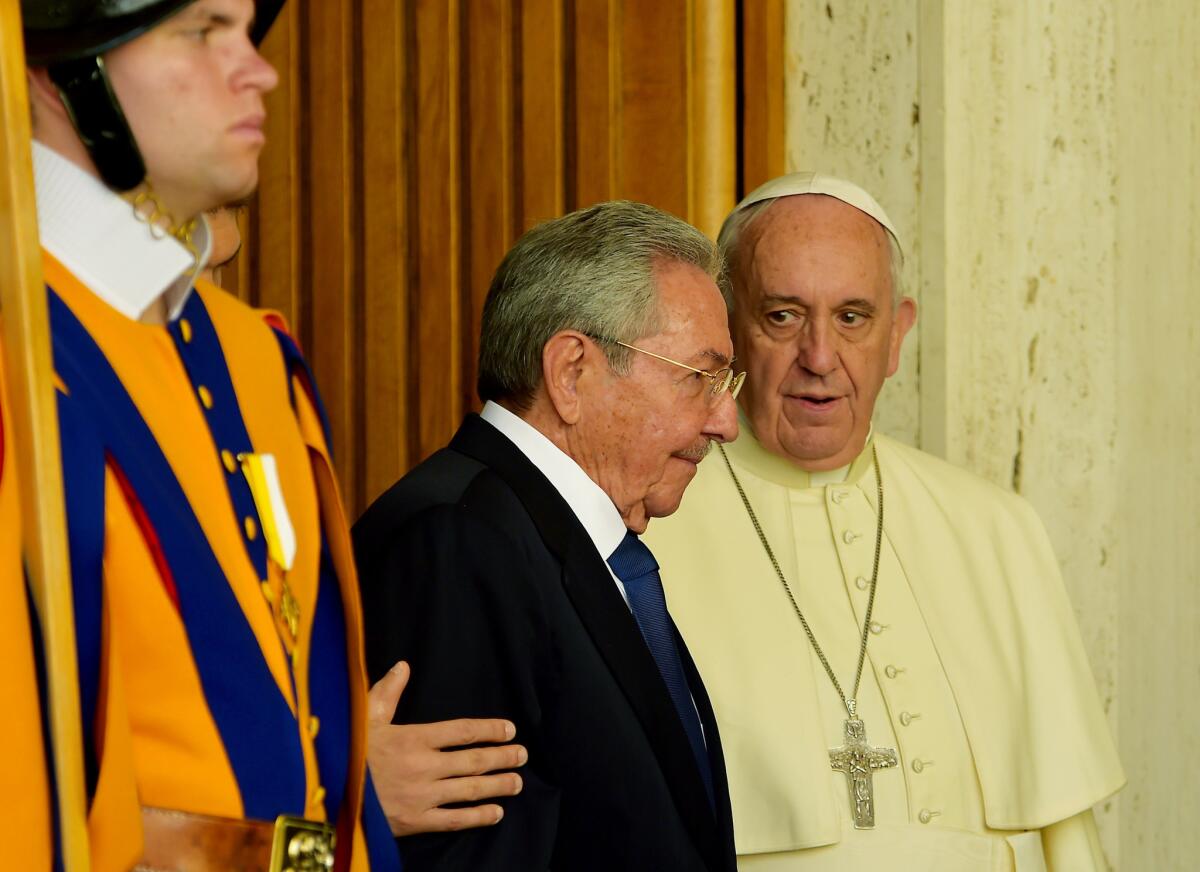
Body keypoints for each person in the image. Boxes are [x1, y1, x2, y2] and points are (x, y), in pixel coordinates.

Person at [11, 0, 523, 867]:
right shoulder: (16, 355)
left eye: (248, 33)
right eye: (202, 30)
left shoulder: (253, 352)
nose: (259, 71)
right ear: (59, 66)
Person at [644, 172, 1125, 871]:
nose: (818, 357)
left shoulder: (995, 529)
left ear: (896, 335)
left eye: (852, 318)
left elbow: (1066, 841)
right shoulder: (648, 530)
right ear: (727, 329)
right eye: (782, 315)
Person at [354, 200, 742, 872]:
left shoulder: (543, 535)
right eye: (700, 380)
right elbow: (465, 853)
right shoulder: (455, 542)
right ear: (571, 373)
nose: (726, 422)